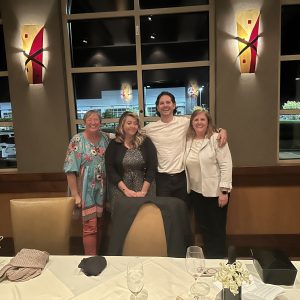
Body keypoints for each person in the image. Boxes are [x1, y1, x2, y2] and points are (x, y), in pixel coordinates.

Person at [144, 91, 227, 205]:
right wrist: (112, 136)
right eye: (161, 103)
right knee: (165, 213)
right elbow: (133, 135)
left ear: (174, 105)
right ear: (157, 107)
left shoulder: (184, 122)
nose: (165, 105)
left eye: (168, 102)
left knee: (183, 212)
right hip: (162, 179)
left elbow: (202, 125)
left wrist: (221, 130)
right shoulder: (149, 128)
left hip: (182, 177)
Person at [184, 107, 232, 258]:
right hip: (197, 193)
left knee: (217, 229)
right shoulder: (188, 141)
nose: (199, 122)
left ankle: (217, 261)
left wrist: (224, 192)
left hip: (216, 193)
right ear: (191, 123)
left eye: (202, 119)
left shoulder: (216, 139)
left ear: (208, 122)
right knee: (204, 228)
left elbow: (226, 165)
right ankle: (210, 259)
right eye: (196, 119)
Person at [64, 110, 109, 255]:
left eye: (96, 119)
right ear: (84, 122)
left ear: (100, 123)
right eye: (90, 119)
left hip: (102, 188)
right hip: (85, 188)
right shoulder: (77, 140)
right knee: (89, 226)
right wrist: (75, 194)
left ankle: (98, 257)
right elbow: (70, 169)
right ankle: (90, 260)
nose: (93, 122)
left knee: (100, 224)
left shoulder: (105, 138)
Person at [105, 111, 157, 212]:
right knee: (123, 220)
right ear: (122, 125)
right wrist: (126, 191)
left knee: (144, 219)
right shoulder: (114, 144)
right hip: (120, 188)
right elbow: (110, 169)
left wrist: (143, 192)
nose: (133, 126)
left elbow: (152, 167)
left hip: (145, 187)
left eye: (135, 123)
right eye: (129, 123)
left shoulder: (146, 142)